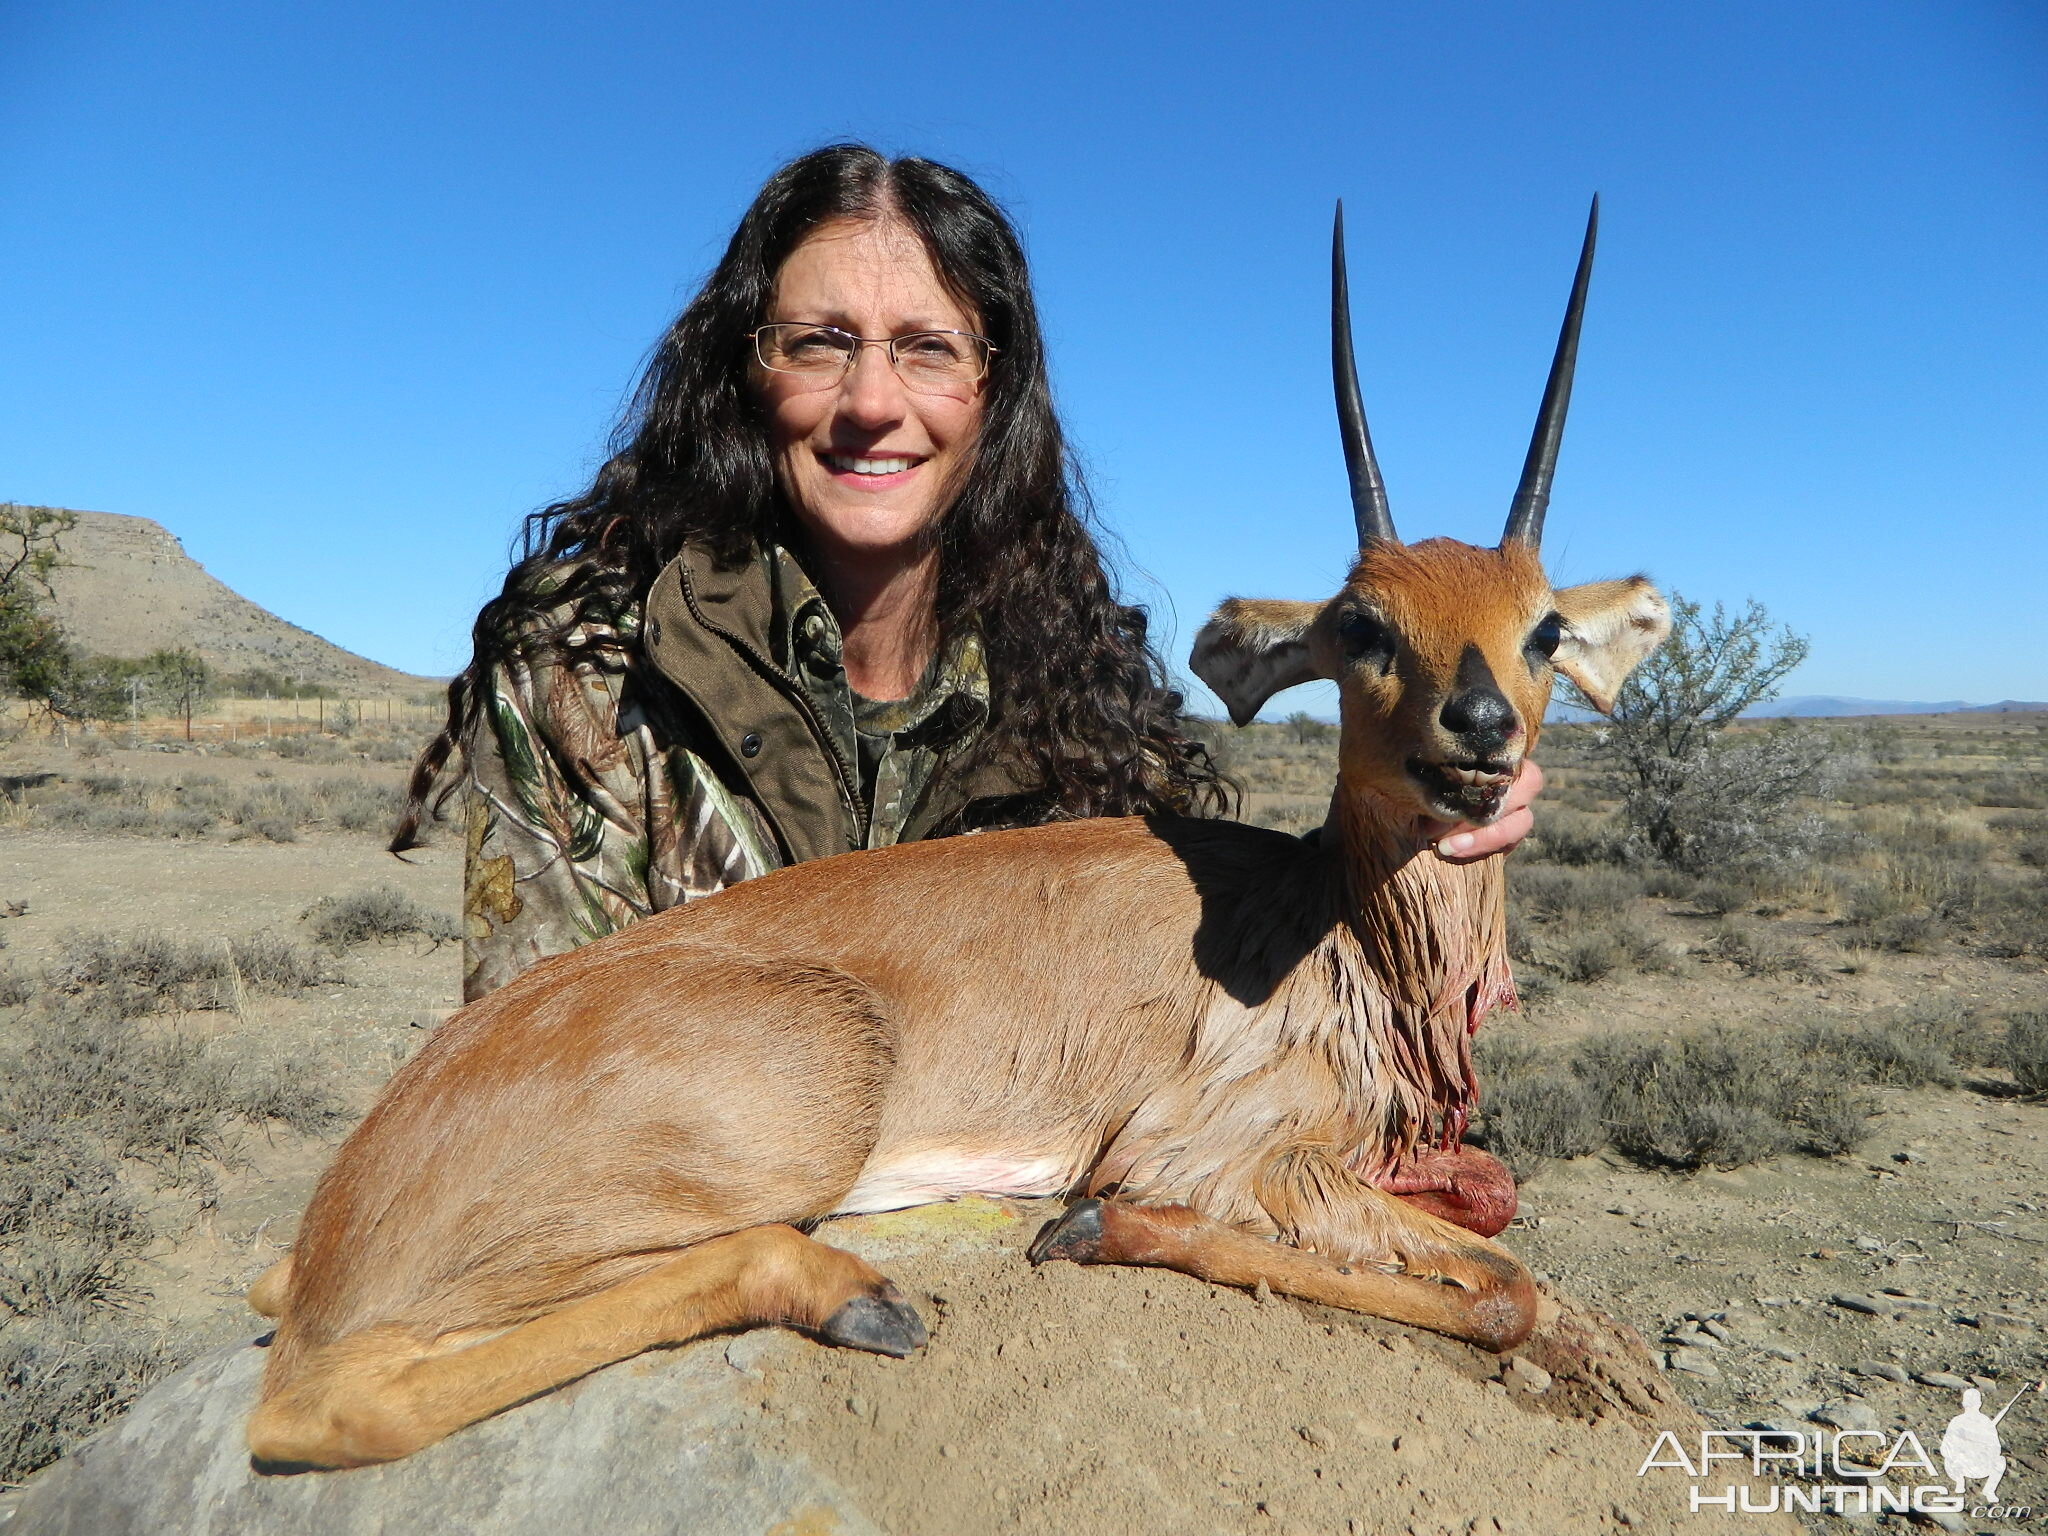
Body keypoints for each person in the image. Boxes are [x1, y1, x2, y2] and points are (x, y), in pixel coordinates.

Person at [393, 144, 1541, 1002]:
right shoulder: (584, 673)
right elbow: (537, 1053)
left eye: (929, 348)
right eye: (818, 343)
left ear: (993, 399)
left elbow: (1202, 995)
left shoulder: (1087, 701)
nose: (872, 403)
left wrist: (1409, 822)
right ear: (745, 375)